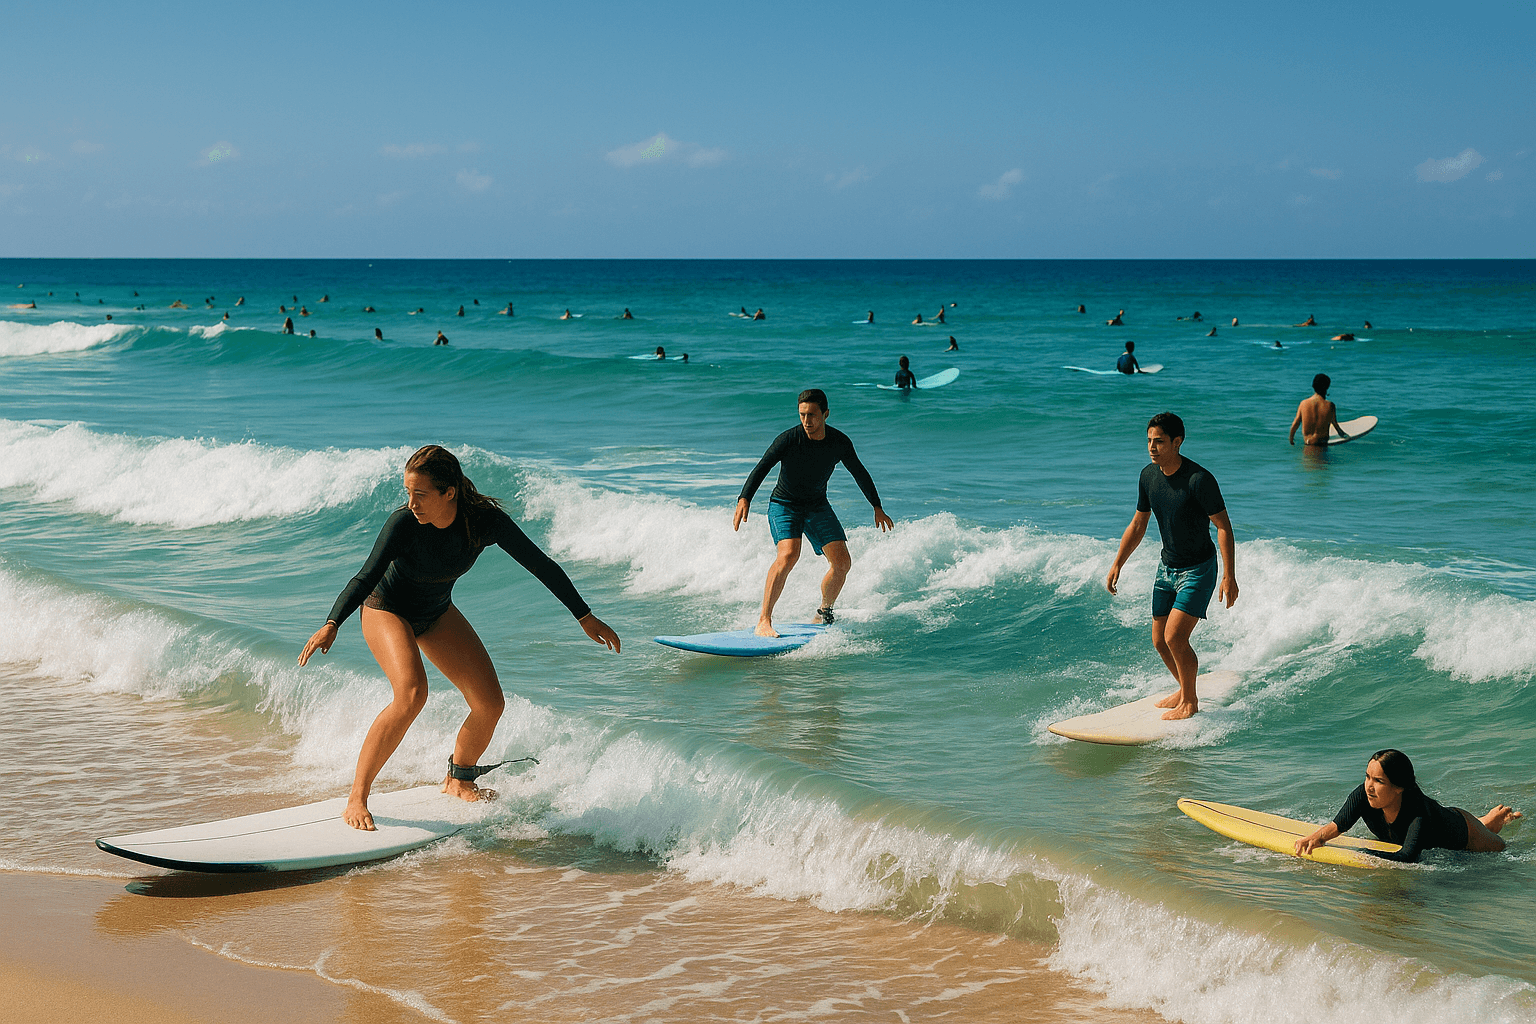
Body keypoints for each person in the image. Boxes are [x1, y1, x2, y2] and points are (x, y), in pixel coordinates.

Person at [299, 446, 620, 830]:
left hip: (435, 612)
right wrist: (333, 622)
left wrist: (584, 616)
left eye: (420, 494)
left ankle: (459, 778)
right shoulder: (402, 523)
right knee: (412, 693)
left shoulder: (483, 521)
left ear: (448, 491)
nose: (411, 502)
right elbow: (365, 576)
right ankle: (357, 797)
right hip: (386, 609)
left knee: (489, 703)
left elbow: (540, 564)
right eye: (407, 492)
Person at [1105, 412, 1238, 720]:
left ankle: (1190, 703)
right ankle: (1184, 688)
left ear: (1177, 442)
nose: (1152, 447)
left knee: (1175, 637)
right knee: (1159, 640)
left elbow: (1223, 527)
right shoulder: (1148, 476)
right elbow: (1139, 524)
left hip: (1199, 569)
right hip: (1167, 567)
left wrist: (1229, 575)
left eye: (1160, 441)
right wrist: (1117, 564)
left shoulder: (1199, 480)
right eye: (1149, 441)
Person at [734, 389, 894, 636]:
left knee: (842, 563)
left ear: (825, 414)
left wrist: (877, 506)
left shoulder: (839, 442)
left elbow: (859, 472)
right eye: (802, 415)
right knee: (788, 555)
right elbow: (762, 466)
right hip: (784, 504)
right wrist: (744, 497)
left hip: (817, 505)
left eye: (811, 415)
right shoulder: (788, 439)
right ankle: (764, 621)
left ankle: (823, 612)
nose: (806, 421)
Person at [1294, 750, 1521, 862]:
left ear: (1398, 787)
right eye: (1367, 777)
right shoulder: (1363, 796)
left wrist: (1361, 854)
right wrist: (1315, 838)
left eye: (1379, 781)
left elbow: (1408, 856)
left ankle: (1489, 822)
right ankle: (1489, 820)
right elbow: (1338, 825)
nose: (1369, 787)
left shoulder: (1418, 813)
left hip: (1466, 833)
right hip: (1442, 821)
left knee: (1502, 850)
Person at [1289, 373, 1348, 446]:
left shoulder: (1303, 403)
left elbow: (1296, 423)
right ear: (1327, 387)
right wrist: (1343, 434)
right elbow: (1334, 423)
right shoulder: (1330, 405)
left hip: (1308, 445)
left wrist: (1291, 439)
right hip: (1322, 446)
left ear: (1313, 386)